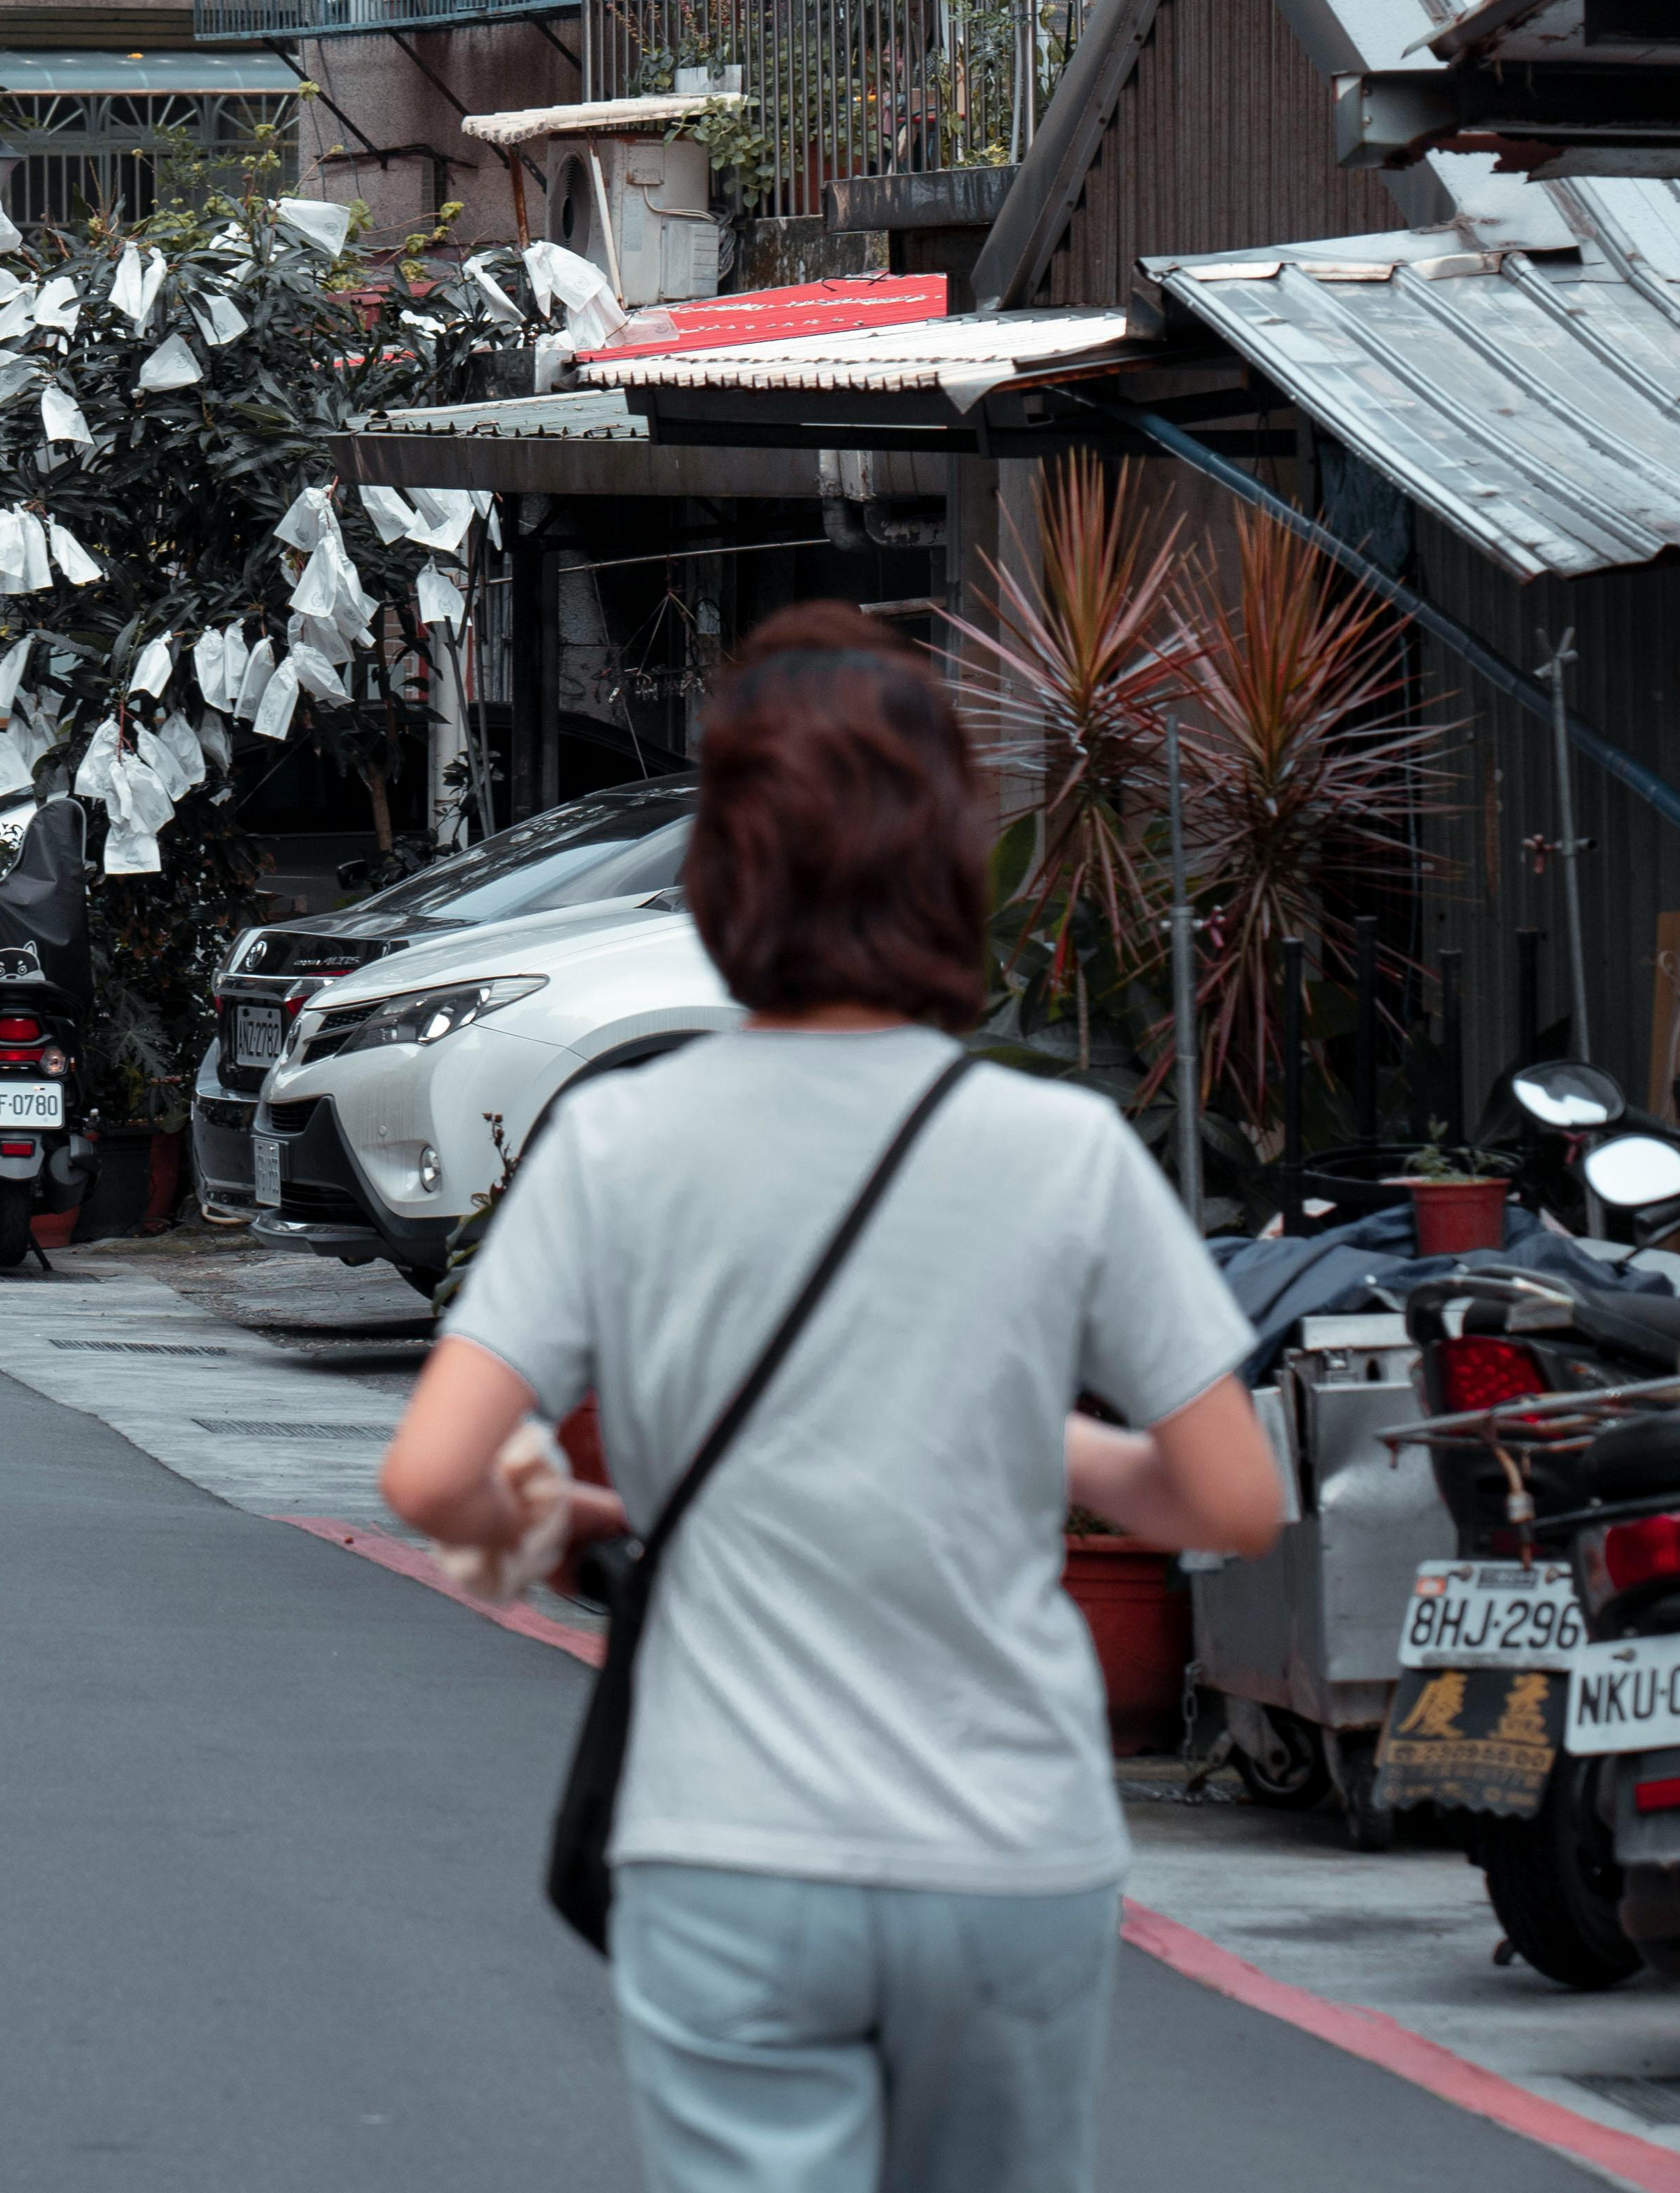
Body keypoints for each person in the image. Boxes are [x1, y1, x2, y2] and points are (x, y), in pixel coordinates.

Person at [376, 602, 1280, 2193]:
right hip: (1002, 1852)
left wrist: (564, 1521)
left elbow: (434, 1472)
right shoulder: (1056, 1147)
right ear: (947, 862)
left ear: (721, 871)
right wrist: (1033, 1436)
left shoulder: (618, 1142)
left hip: (727, 1848)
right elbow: (1233, 1497)